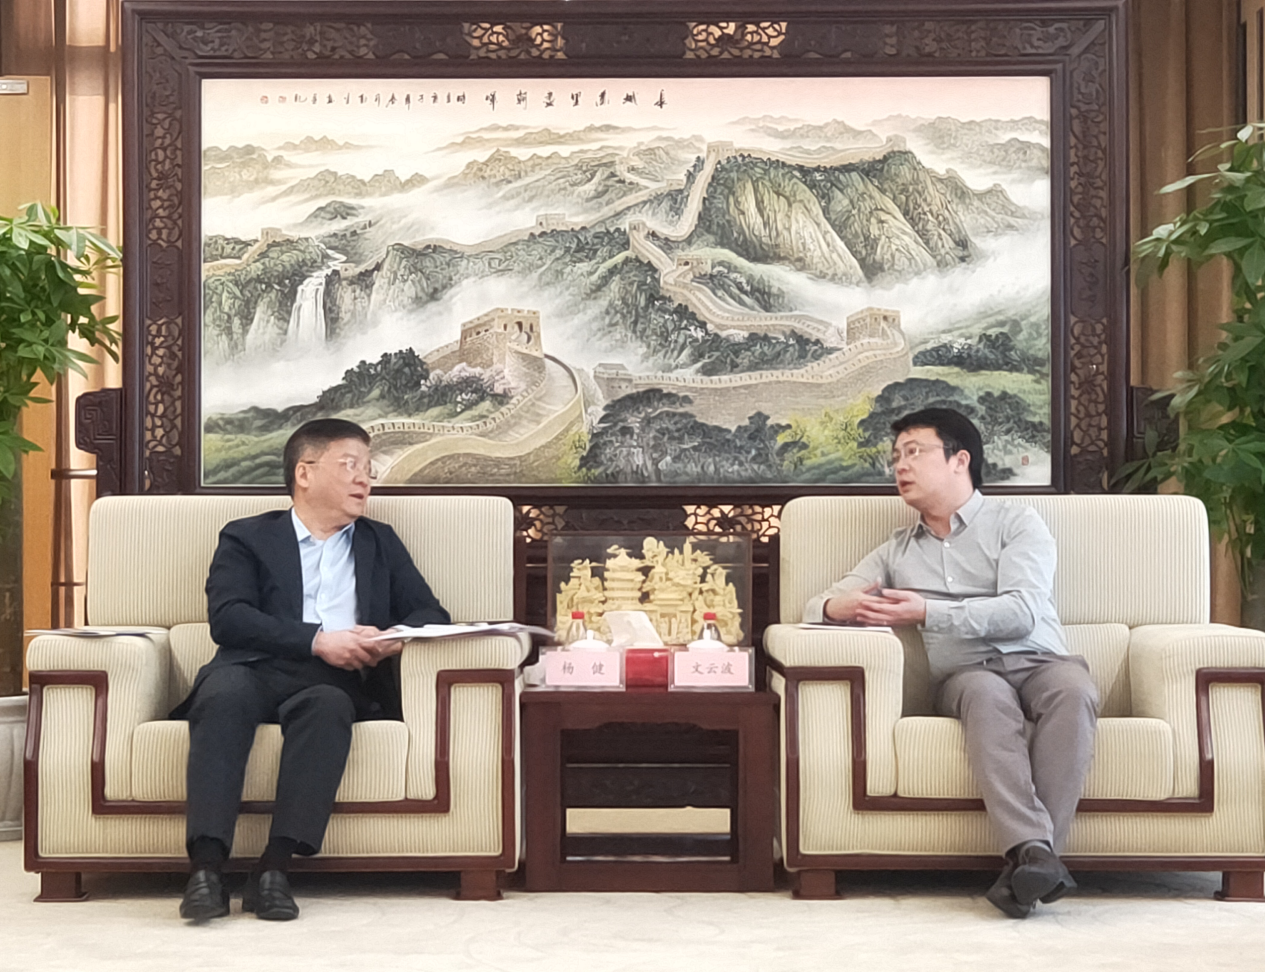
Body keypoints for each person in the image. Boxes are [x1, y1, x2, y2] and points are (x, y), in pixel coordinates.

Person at [803, 408, 1097, 919]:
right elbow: (817, 605)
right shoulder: (897, 551)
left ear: (960, 460)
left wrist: (928, 612)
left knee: (1074, 690)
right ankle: (1038, 856)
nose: (900, 466)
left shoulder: (1017, 523)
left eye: (914, 452)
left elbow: (1021, 612)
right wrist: (837, 606)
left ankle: (1031, 859)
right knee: (986, 697)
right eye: (896, 456)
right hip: (967, 674)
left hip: (1040, 659)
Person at [173, 418, 450, 922]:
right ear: (305, 472)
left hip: (332, 679)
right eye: (350, 465)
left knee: (328, 708)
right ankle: (206, 870)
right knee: (223, 697)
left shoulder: (379, 542)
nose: (364, 478)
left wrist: (390, 638)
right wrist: (317, 640)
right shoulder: (247, 536)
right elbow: (229, 618)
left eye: (368, 468)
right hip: (251, 667)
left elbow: (431, 614)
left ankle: (274, 870)